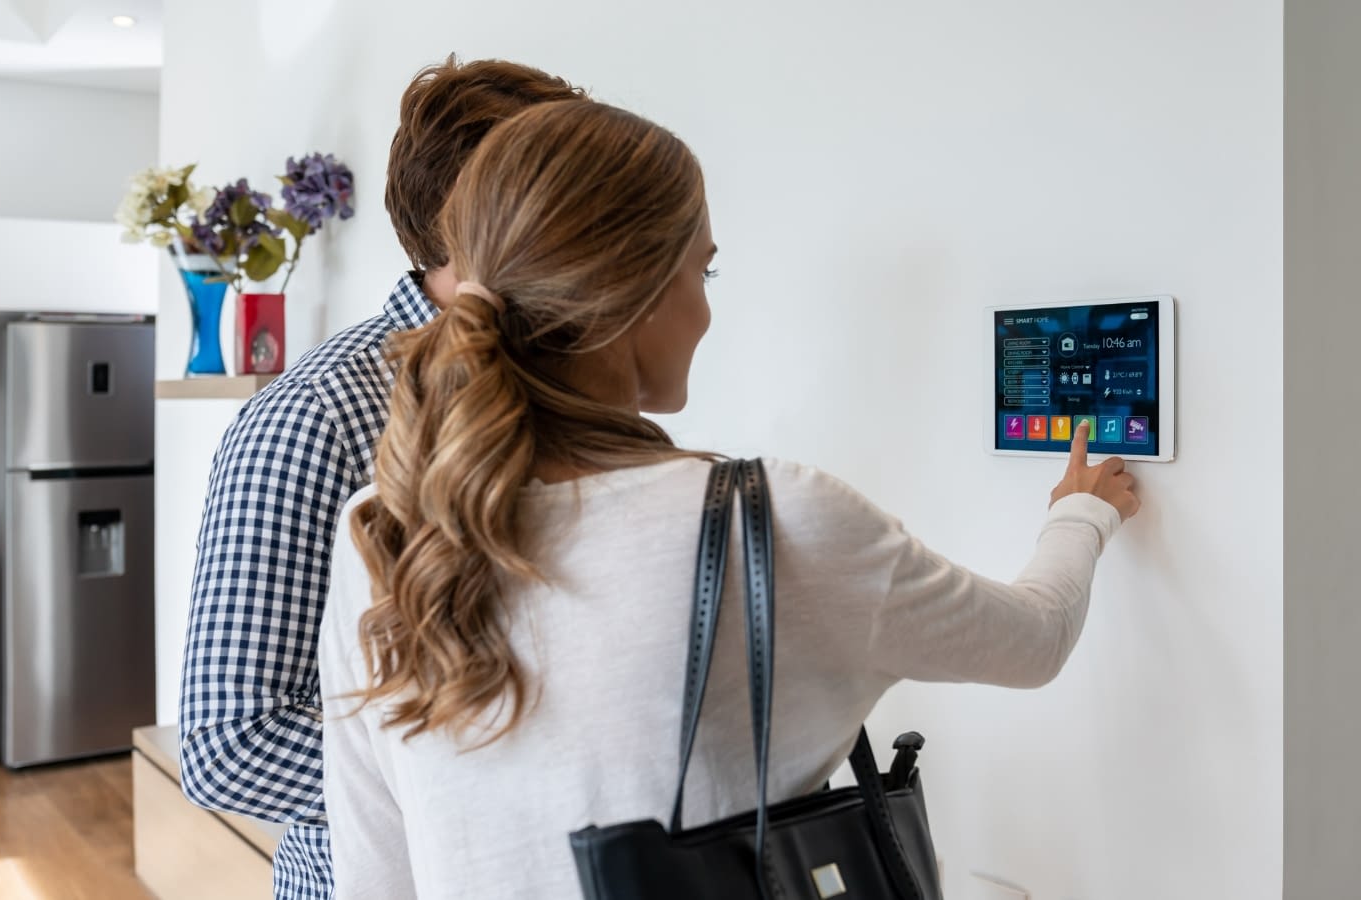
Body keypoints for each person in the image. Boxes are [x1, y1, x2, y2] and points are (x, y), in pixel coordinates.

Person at [317, 99, 1141, 899]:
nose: (706, 307)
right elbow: (1034, 640)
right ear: (641, 290)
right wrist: (1082, 512)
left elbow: (374, 874)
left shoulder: (384, 531)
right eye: (702, 269)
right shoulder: (770, 521)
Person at [177, 57, 588, 900]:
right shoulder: (317, 416)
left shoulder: (565, 388)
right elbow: (229, 746)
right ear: (483, 215)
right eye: (570, 194)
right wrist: (503, 786)